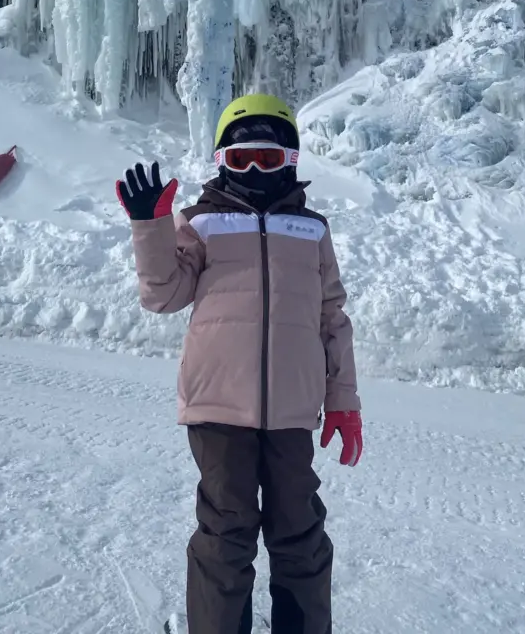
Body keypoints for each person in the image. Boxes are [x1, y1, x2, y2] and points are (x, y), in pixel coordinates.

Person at [116, 93, 362, 634]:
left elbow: (332, 319)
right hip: (218, 405)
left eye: (268, 159)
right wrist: (151, 227)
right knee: (226, 533)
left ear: (291, 161)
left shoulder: (312, 229)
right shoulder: (201, 222)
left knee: (299, 532)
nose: (254, 169)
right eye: (240, 158)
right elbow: (164, 294)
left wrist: (343, 400)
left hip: (294, 409)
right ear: (221, 161)